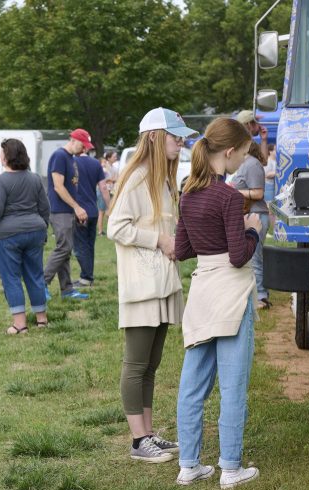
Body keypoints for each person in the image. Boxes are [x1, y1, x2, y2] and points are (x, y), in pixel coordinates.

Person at [174, 117, 262, 490]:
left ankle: (188, 464)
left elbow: (182, 250)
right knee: (232, 384)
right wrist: (254, 229)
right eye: (242, 154)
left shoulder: (187, 194)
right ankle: (230, 468)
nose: (243, 161)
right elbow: (239, 256)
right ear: (228, 152)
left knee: (192, 384)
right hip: (231, 293)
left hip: (202, 292)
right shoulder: (229, 197)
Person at [107, 107, 196, 464]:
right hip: (142, 285)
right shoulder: (137, 177)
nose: (181, 141)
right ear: (156, 137)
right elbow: (116, 227)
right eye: (175, 136)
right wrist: (158, 240)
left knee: (151, 363)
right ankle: (138, 440)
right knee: (136, 363)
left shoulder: (162, 178)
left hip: (161, 282)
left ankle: (148, 433)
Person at [0, 138, 50, 334]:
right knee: (35, 275)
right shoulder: (35, 178)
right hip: (35, 230)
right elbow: (45, 207)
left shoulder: (1, 181)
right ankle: (41, 319)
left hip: (8, 235)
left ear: (7, 157)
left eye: (2, 153)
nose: (0, 157)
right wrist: (43, 228)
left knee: (11, 278)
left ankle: (20, 324)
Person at [43, 129, 93, 300]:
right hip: (59, 210)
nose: (84, 149)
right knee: (64, 248)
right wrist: (77, 207)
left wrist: (75, 208)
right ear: (73, 140)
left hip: (67, 210)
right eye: (83, 145)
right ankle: (41, 283)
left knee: (66, 249)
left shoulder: (71, 158)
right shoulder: (59, 156)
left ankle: (67, 290)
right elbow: (58, 186)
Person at [231, 142, 270, 309]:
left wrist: (232, 191)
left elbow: (258, 193)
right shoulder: (247, 163)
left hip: (256, 215)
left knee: (254, 258)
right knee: (253, 257)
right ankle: (257, 294)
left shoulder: (252, 163)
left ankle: (261, 297)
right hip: (250, 214)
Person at [73, 151, 104, 288]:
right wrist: (108, 207)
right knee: (90, 246)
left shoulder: (72, 162)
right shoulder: (96, 163)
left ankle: (85, 278)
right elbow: (103, 187)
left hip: (80, 211)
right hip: (93, 210)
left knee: (80, 246)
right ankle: (88, 277)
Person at [97, 150, 119, 236]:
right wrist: (111, 180)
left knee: (111, 210)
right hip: (103, 190)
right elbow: (101, 180)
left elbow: (117, 178)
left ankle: (111, 230)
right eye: (114, 156)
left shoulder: (115, 168)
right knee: (101, 211)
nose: (116, 158)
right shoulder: (103, 168)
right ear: (108, 158)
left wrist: (113, 180)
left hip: (112, 191)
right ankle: (100, 231)